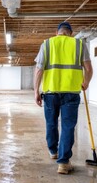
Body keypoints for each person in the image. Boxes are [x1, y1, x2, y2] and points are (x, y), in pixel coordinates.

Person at [33, 21, 93, 174]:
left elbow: (39, 70)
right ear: (70, 33)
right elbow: (89, 69)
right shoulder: (78, 44)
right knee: (68, 126)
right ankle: (64, 163)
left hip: (50, 92)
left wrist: (36, 91)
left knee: (51, 123)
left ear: (57, 32)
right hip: (71, 93)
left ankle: (53, 151)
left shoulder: (47, 44)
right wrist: (85, 82)